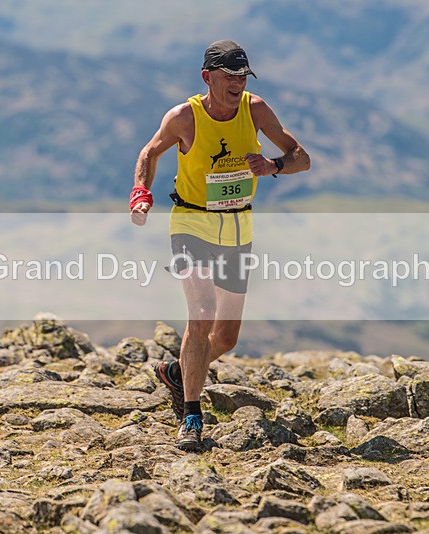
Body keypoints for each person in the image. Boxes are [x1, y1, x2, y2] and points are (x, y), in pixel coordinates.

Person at [129, 40, 310, 452]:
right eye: (230, 77)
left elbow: (302, 158)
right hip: (191, 222)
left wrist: (274, 165)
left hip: (237, 227)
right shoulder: (184, 117)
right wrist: (141, 190)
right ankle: (192, 417)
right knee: (202, 315)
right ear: (207, 77)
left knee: (226, 338)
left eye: (243, 77)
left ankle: (178, 372)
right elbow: (149, 152)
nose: (238, 84)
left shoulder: (255, 109)